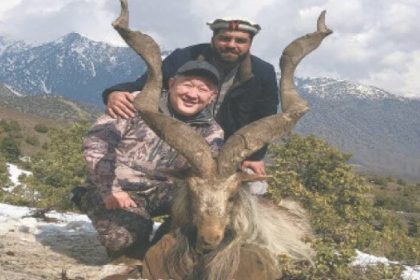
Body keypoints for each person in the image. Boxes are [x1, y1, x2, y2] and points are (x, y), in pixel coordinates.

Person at [72, 60, 224, 259]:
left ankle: (166, 239)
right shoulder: (136, 104)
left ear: (212, 97)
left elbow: (207, 176)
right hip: (116, 190)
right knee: (121, 239)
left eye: (203, 89)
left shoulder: (212, 133)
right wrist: (111, 189)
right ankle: (90, 202)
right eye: (187, 84)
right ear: (171, 84)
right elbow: (96, 145)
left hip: (166, 194)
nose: (192, 94)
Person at [102, 18, 279, 178]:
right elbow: (145, 85)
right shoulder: (183, 57)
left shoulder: (263, 73)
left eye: (240, 41)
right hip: (180, 142)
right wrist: (115, 93)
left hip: (228, 151)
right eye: (225, 38)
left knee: (254, 186)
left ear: (249, 44)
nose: (231, 45)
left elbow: (265, 120)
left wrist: (255, 157)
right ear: (213, 40)